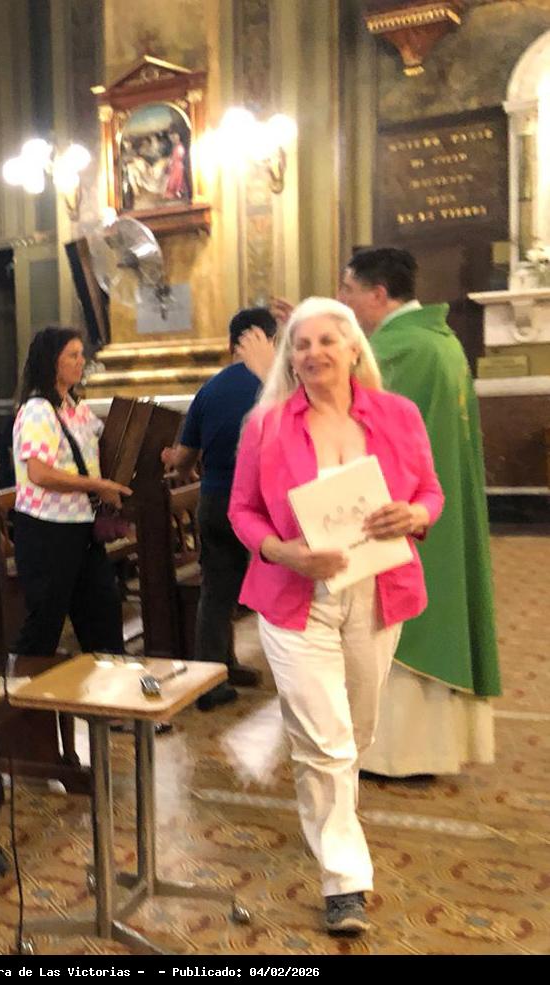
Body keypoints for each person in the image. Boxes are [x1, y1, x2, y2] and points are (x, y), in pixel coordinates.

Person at [228, 297, 443, 934]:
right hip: (295, 599)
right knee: (324, 742)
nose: (313, 353)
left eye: (327, 341)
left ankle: (332, 822)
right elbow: (242, 510)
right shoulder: (266, 425)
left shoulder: (398, 415)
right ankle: (344, 881)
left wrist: (416, 515)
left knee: (355, 733)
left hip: (377, 590)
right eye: (301, 344)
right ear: (290, 359)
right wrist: (283, 551)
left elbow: (429, 491)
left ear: (353, 349)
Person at [338, 247, 501, 777]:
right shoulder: (440, 340)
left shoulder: (397, 350)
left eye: (348, 290)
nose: (343, 300)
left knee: (404, 625)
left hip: (404, 517)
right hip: (435, 510)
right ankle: (427, 748)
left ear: (378, 294)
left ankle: (397, 755)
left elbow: (342, 417)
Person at [161, 308, 276, 711]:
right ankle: (280, 675)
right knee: (280, 588)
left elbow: (184, 461)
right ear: (272, 342)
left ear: (230, 345)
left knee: (216, 592)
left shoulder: (209, 390)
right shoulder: (277, 386)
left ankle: (215, 676)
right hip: (264, 505)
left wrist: (175, 458)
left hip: (216, 502)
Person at [11, 326, 132, 659]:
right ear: (52, 361)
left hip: (80, 526)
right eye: (73, 355)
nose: (81, 362)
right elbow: (39, 473)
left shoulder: (73, 406)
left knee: (102, 612)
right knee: (45, 622)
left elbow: (105, 445)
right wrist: (99, 486)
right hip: (47, 530)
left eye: (82, 354)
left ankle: (109, 684)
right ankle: (24, 687)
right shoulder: (38, 410)